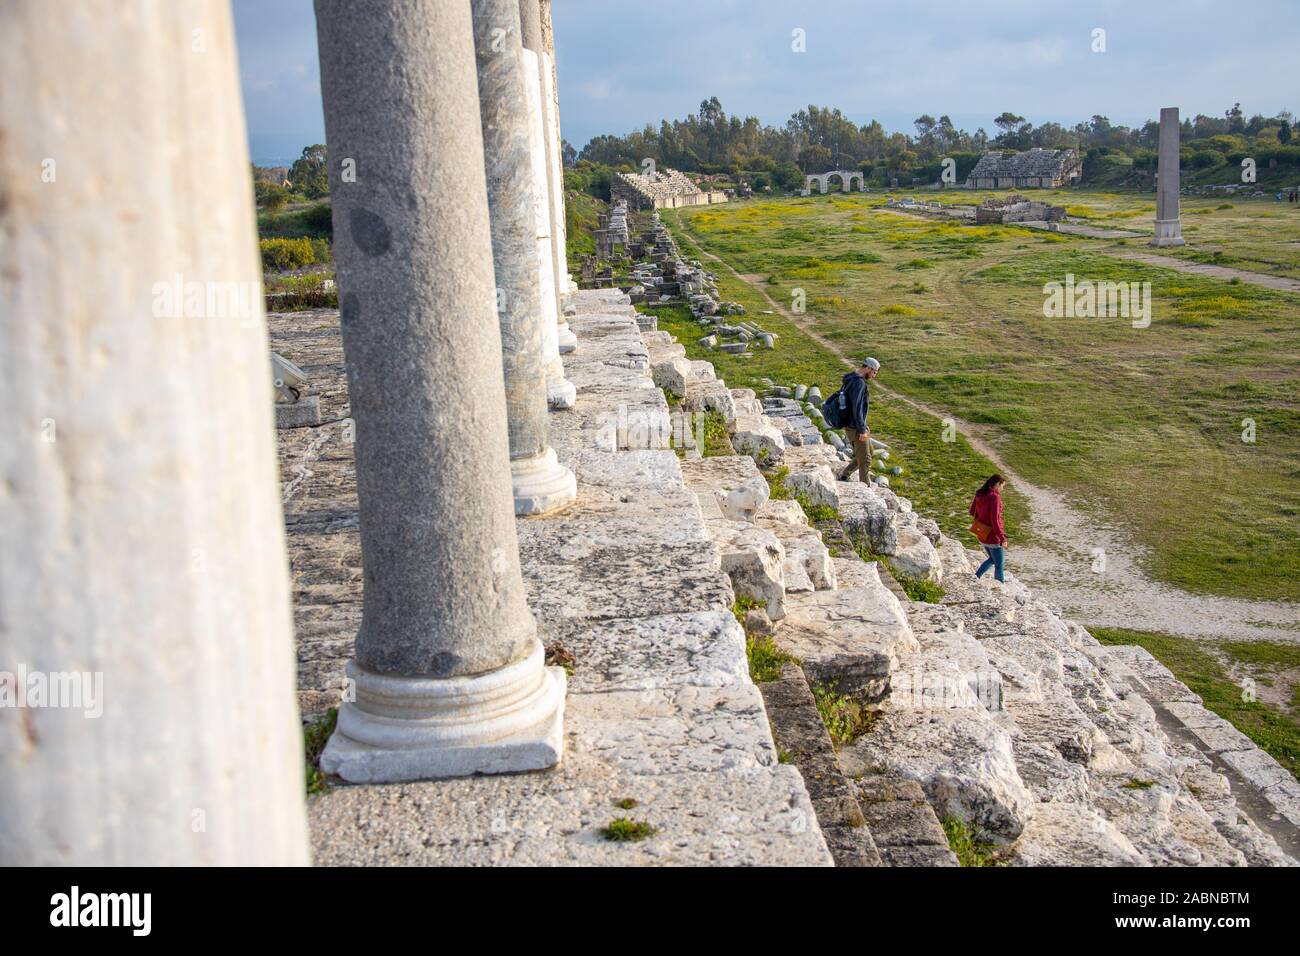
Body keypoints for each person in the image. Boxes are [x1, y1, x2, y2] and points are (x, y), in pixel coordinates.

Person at [837, 357, 880, 482]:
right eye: (874, 372)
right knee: (865, 460)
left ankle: (845, 474)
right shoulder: (859, 383)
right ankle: (865, 489)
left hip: (851, 424)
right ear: (868, 368)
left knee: (869, 452)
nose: (874, 375)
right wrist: (862, 430)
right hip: (855, 426)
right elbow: (857, 408)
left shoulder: (851, 377)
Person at [969, 474, 1008, 583]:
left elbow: (972, 511)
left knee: (992, 559)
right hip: (993, 537)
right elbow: (995, 521)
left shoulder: (980, 493)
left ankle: (975, 577)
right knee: (999, 566)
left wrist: (982, 518)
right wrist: (1002, 538)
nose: (1002, 489)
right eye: (1002, 486)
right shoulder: (994, 497)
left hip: (982, 534)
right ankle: (1000, 586)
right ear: (997, 484)